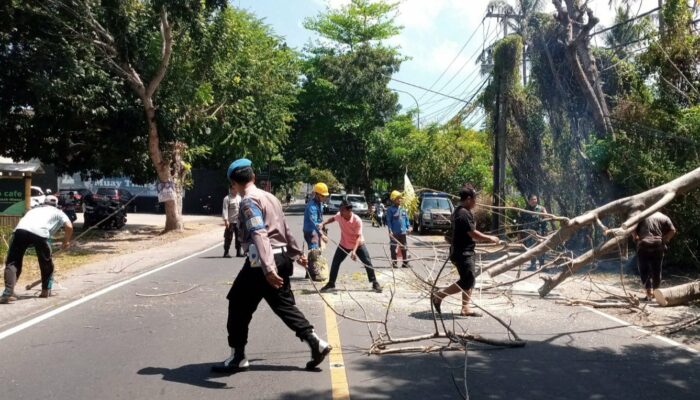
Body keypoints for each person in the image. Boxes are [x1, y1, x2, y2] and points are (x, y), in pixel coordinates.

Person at [212, 158, 331, 373]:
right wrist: (296, 254)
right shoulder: (270, 197)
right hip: (281, 256)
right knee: (283, 305)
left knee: (238, 304)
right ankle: (316, 343)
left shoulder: (248, 201)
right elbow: (285, 228)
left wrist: (267, 268)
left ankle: (238, 356)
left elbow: (259, 233)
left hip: (263, 262)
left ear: (233, 183)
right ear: (254, 177)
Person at [431, 184, 499, 317]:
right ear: (468, 199)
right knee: (467, 281)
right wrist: (490, 238)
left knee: (468, 279)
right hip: (462, 253)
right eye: (474, 199)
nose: (476, 202)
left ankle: (465, 308)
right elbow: (473, 234)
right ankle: (439, 296)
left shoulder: (461, 211)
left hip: (463, 251)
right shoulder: (462, 213)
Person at [1, 195, 73, 303]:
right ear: (57, 205)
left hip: (20, 231)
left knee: (13, 262)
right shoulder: (59, 212)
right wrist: (66, 241)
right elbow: (69, 226)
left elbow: (27, 224)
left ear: (44, 202)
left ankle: (8, 292)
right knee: (46, 263)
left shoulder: (33, 210)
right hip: (40, 233)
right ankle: (45, 290)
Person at [318, 200, 382, 293]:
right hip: (344, 244)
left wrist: (354, 251)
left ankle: (374, 283)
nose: (340, 212)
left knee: (367, 262)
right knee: (335, 262)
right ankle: (331, 283)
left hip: (358, 244)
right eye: (340, 209)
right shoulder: (340, 215)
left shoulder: (357, 220)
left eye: (342, 210)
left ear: (349, 211)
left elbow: (358, 237)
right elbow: (333, 218)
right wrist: (323, 223)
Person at [632, 211, 676, 301]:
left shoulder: (642, 215)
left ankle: (649, 292)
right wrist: (664, 240)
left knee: (644, 269)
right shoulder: (664, 216)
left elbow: (633, 229)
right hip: (658, 245)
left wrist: (636, 238)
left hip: (644, 245)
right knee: (657, 270)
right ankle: (656, 293)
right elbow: (673, 230)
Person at [303, 183, 329, 281]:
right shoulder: (312, 207)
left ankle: (309, 272)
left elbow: (320, 219)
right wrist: (322, 235)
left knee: (314, 251)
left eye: (325, 196)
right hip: (311, 231)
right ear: (317, 194)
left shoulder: (319, 204)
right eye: (323, 195)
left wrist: (323, 229)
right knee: (314, 251)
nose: (324, 197)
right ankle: (314, 274)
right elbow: (314, 222)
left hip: (316, 231)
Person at [519, 194, 549, 270]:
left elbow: (546, 219)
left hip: (539, 233)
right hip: (529, 234)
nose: (534, 201)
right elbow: (521, 223)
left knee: (541, 248)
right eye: (532, 199)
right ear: (529, 201)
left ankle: (542, 265)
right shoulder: (525, 210)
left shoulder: (541, 209)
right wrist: (520, 233)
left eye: (535, 199)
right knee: (531, 249)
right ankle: (533, 265)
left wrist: (545, 230)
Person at [385, 190, 411, 268]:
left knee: (404, 247)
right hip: (394, 232)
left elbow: (406, 219)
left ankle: (405, 262)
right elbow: (388, 221)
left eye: (400, 198)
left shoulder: (403, 209)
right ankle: (394, 263)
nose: (400, 200)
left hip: (402, 231)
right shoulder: (390, 209)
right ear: (393, 199)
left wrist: (408, 227)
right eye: (398, 198)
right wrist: (390, 230)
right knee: (393, 247)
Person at [222, 184, 242, 258]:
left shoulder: (239, 198)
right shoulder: (227, 199)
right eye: (234, 189)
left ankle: (238, 252)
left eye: (236, 188)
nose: (236, 190)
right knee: (228, 237)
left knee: (239, 237)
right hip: (230, 222)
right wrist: (226, 220)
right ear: (230, 189)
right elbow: (225, 210)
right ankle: (226, 252)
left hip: (238, 221)